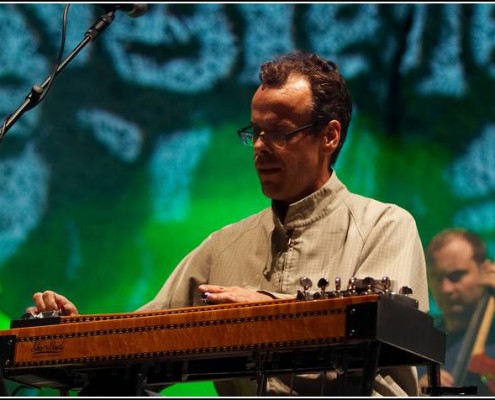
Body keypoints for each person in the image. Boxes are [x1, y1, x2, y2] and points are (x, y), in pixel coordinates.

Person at [26, 51, 428, 396]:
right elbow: (139, 340)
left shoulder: (385, 226)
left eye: (280, 133)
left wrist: (268, 312)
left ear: (330, 136)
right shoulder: (223, 246)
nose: (259, 147)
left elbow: (378, 338)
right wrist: (71, 332)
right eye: (255, 132)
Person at [418, 228, 495, 396]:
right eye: (437, 278)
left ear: (485, 269)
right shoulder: (420, 343)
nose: (446, 289)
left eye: (456, 276)